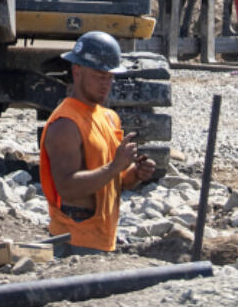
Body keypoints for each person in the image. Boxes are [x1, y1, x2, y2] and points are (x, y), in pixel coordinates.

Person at [39, 31, 156, 253]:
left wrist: (134, 174)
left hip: (101, 241)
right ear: (77, 71)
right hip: (73, 244)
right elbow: (67, 187)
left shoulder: (109, 118)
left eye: (109, 77)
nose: (106, 84)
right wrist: (114, 167)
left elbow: (115, 181)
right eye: (99, 76)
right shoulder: (65, 124)